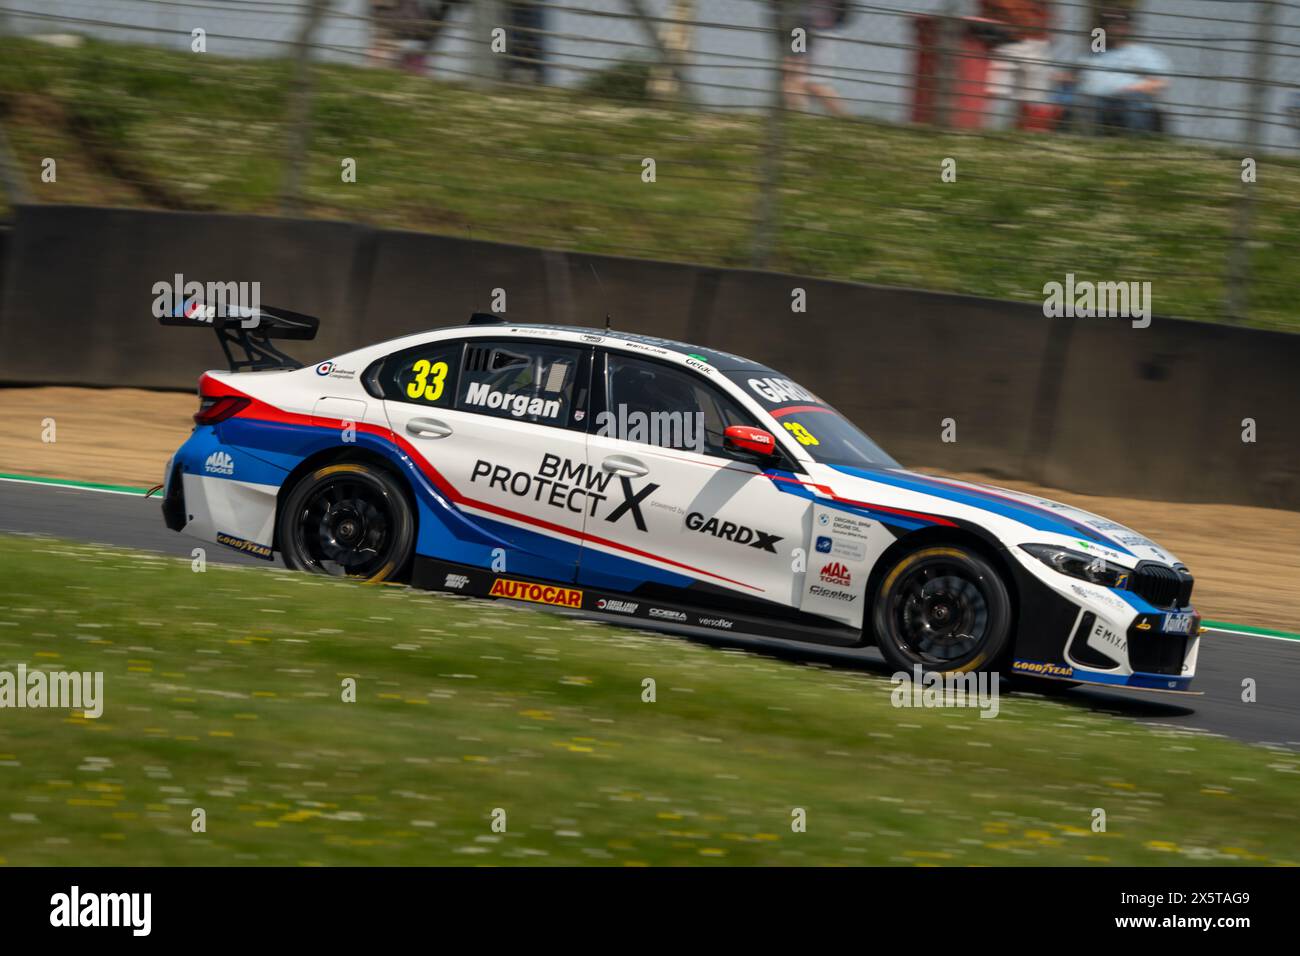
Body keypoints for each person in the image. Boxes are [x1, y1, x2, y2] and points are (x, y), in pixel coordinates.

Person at [1075, 8, 1170, 133]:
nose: (1110, 28)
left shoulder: (1143, 53)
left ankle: (1135, 142)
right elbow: (1076, 75)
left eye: (1117, 24)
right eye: (1106, 24)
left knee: (1134, 102)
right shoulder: (1093, 53)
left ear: (1128, 27)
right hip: (1095, 101)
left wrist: (1131, 89)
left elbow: (1160, 83)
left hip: (1127, 100)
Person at [981, 0, 1055, 129]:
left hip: (1030, 41)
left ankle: (1016, 133)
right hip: (1010, 40)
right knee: (1000, 93)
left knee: (1030, 98)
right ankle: (992, 130)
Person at [783, 0, 851, 118]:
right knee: (793, 75)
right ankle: (797, 117)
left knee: (815, 83)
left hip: (820, 31)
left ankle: (847, 119)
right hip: (799, 29)